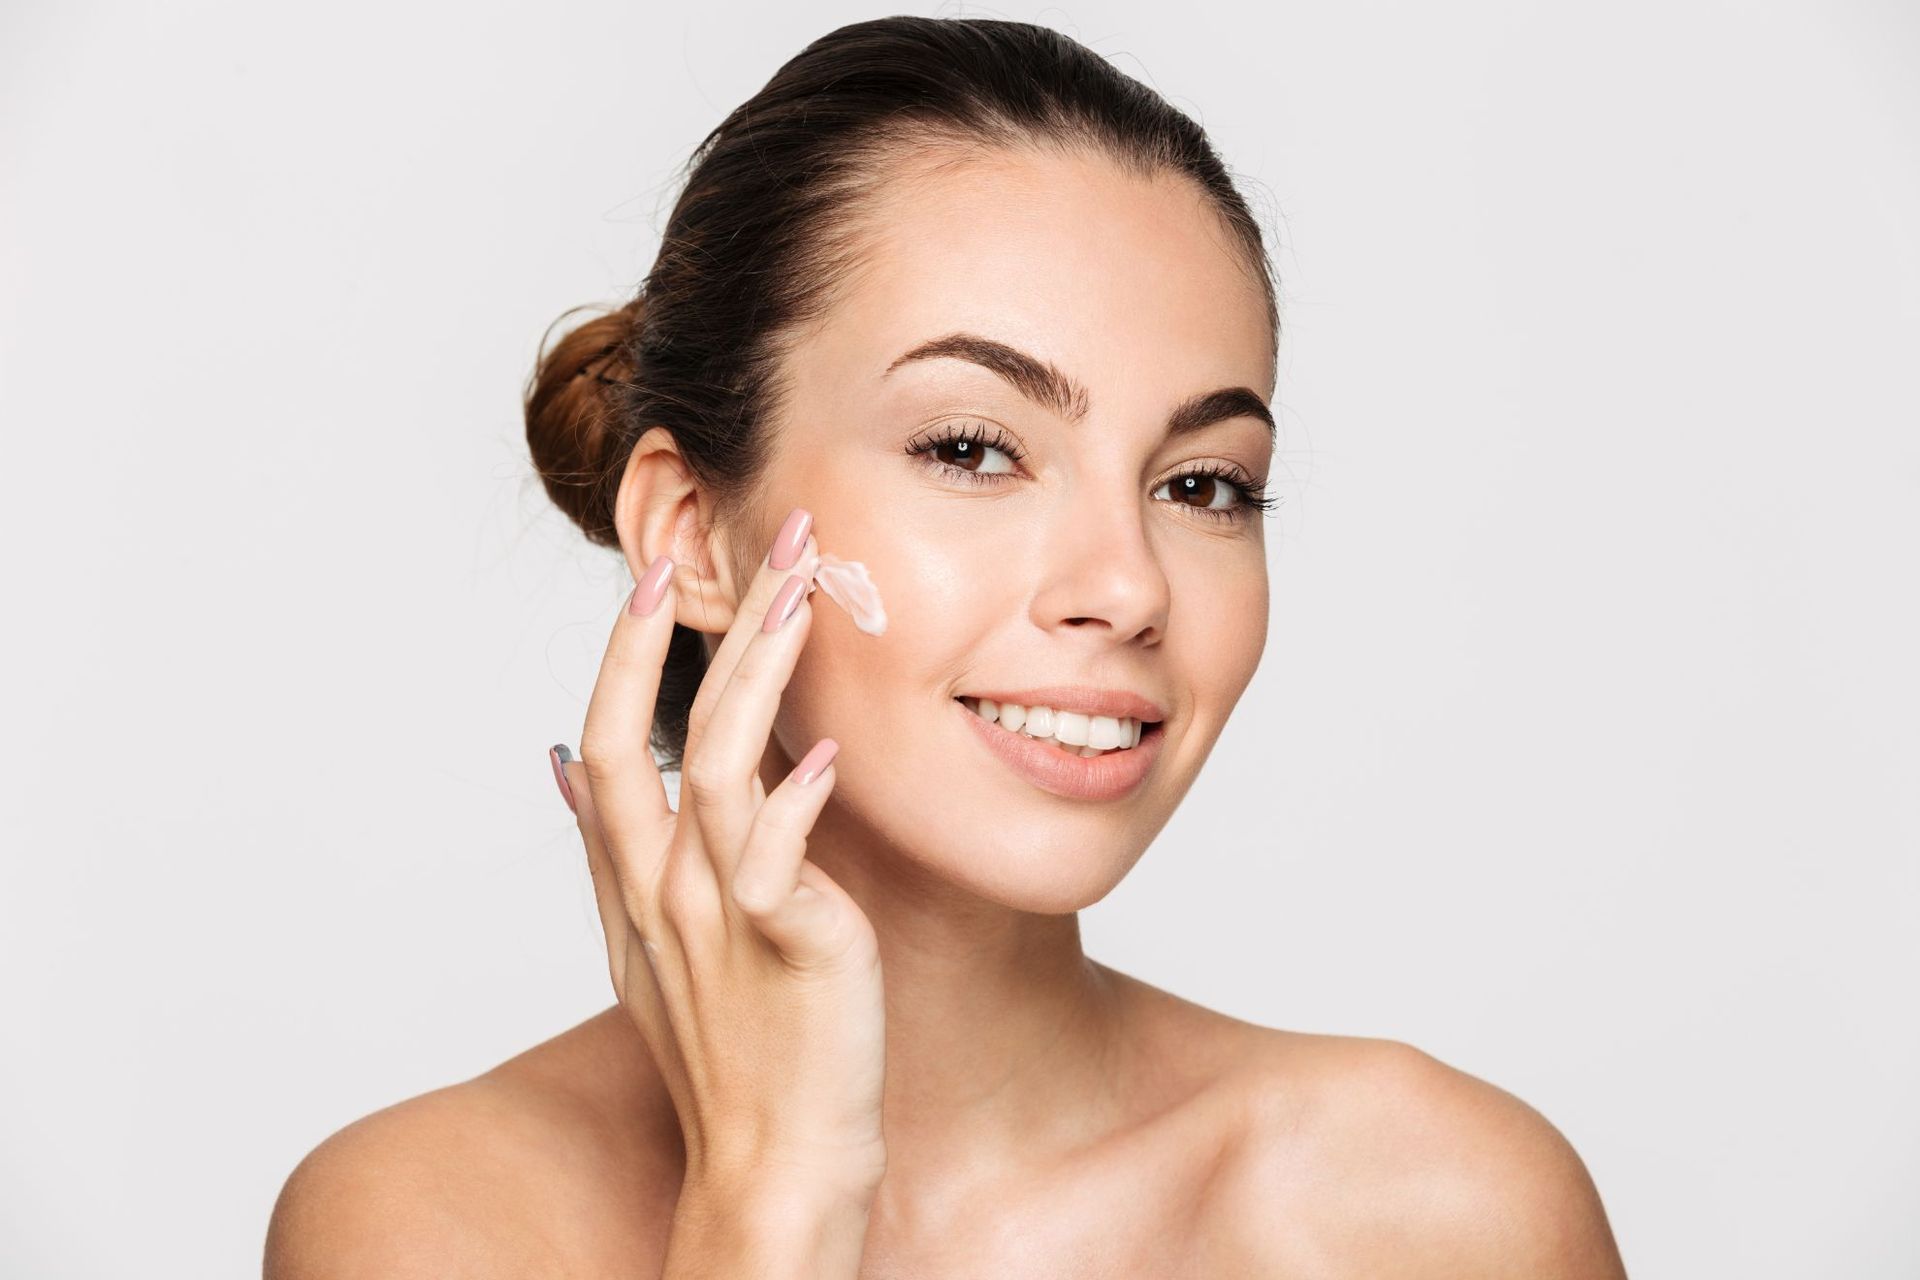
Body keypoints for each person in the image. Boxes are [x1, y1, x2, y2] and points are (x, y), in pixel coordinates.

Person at [265, 16, 1627, 1276]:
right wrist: (773, 1198)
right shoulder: (433, 1220)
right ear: (691, 532)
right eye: (973, 449)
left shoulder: (1440, 1216)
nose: (1127, 586)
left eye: (1204, 483)